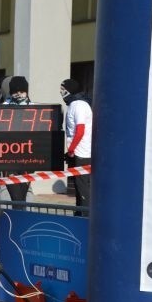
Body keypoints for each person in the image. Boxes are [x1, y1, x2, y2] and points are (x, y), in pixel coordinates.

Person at [61, 78, 93, 215]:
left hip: (81, 153)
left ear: (69, 90)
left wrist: (71, 149)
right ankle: (79, 215)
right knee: (79, 190)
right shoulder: (76, 104)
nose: (60, 92)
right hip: (80, 152)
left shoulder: (78, 105)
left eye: (62, 89)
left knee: (83, 189)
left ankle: (85, 218)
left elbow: (80, 130)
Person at [2, 75, 32, 202]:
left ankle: (23, 214)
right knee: (14, 193)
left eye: (22, 91)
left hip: (28, 154)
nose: (19, 94)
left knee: (24, 192)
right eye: (15, 91)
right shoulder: (4, 107)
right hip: (9, 155)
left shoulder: (34, 107)